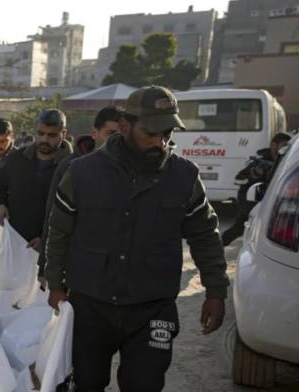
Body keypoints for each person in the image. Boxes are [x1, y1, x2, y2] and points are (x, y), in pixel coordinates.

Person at [45, 86, 229, 392]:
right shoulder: (81, 173)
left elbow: (205, 236)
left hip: (152, 307)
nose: (161, 141)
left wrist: (216, 290)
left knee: (144, 385)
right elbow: (59, 232)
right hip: (91, 305)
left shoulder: (184, 177)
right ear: (125, 127)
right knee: (86, 383)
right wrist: (55, 284)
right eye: (152, 132)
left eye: (168, 133)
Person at [39, 106, 122, 285]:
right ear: (94, 132)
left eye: (122, 135)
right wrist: (46, 268)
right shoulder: (72, 167)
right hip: (80, 267)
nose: (117, 140)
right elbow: (53, 221)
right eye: (111, 133)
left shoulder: (131, 169)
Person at [0, 109, 72, 255]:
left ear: (64, 134)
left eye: (52, 135)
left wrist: (46, 239)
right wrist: (0, 204)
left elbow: (75, 214)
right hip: (15, 246)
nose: (45, 140)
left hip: (55, 251)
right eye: (40, 134)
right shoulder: (16, 159)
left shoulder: (72, 167)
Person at [221, 132, 291, 246]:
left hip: (271, 202)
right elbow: (239, 178)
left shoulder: (285, 160)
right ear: (274, 145)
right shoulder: (259, 160)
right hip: (251, 202)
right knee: (243, 230)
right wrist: (255, 173)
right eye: (283, 145)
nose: (285, 148)